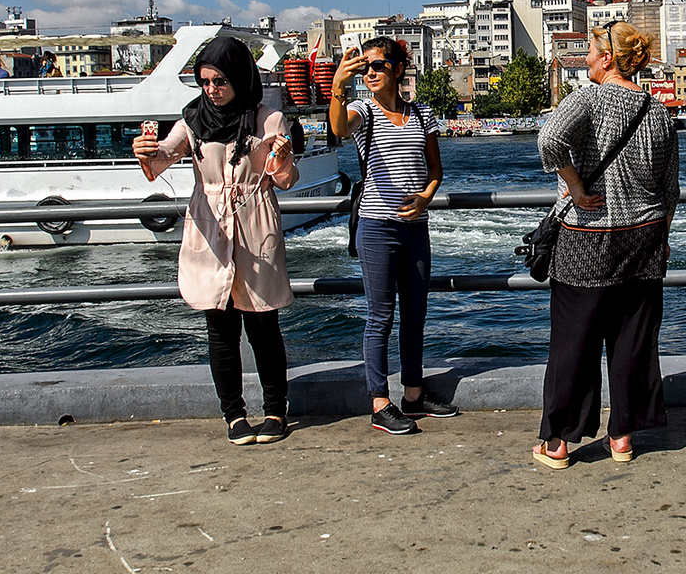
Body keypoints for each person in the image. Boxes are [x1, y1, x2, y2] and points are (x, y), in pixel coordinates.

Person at [132, 35, 298, 445]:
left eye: (220, 80)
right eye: (205, 81)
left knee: (263, 323)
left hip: (255, 225)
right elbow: (162, 159)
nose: (212, 89)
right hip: (209, 226)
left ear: (240, 77)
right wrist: (145, 151)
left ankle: (276, 410)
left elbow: (286, 180)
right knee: (219, 324)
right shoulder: (192, 120)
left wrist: (282, 158)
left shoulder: (269, 120)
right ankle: (233, 415)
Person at [532, 21, 679, 470]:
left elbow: (550, 140)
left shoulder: (588, 98)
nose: (586, 59)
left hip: (588, 237)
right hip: (644, 238)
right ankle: (622, 436)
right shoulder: (656, 111)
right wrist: (662, 237)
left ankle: (559, 442)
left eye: (592, 51)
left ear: (609, 58)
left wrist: (575, 188)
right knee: (632, 339)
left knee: (574, 339)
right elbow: (669, 189)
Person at [328, 36, 454, 435]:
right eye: (365, 67)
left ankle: (413, 396)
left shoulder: (421, 114)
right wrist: (337, 86)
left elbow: (435, 170)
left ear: (398, 69)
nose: (370, 73)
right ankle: (379, 402)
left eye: (378, 65)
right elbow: (337, 128)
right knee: (380, 316)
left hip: (415, 228)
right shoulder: (361, 110)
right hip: (377, 227)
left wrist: (425, 198)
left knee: (415, 314)